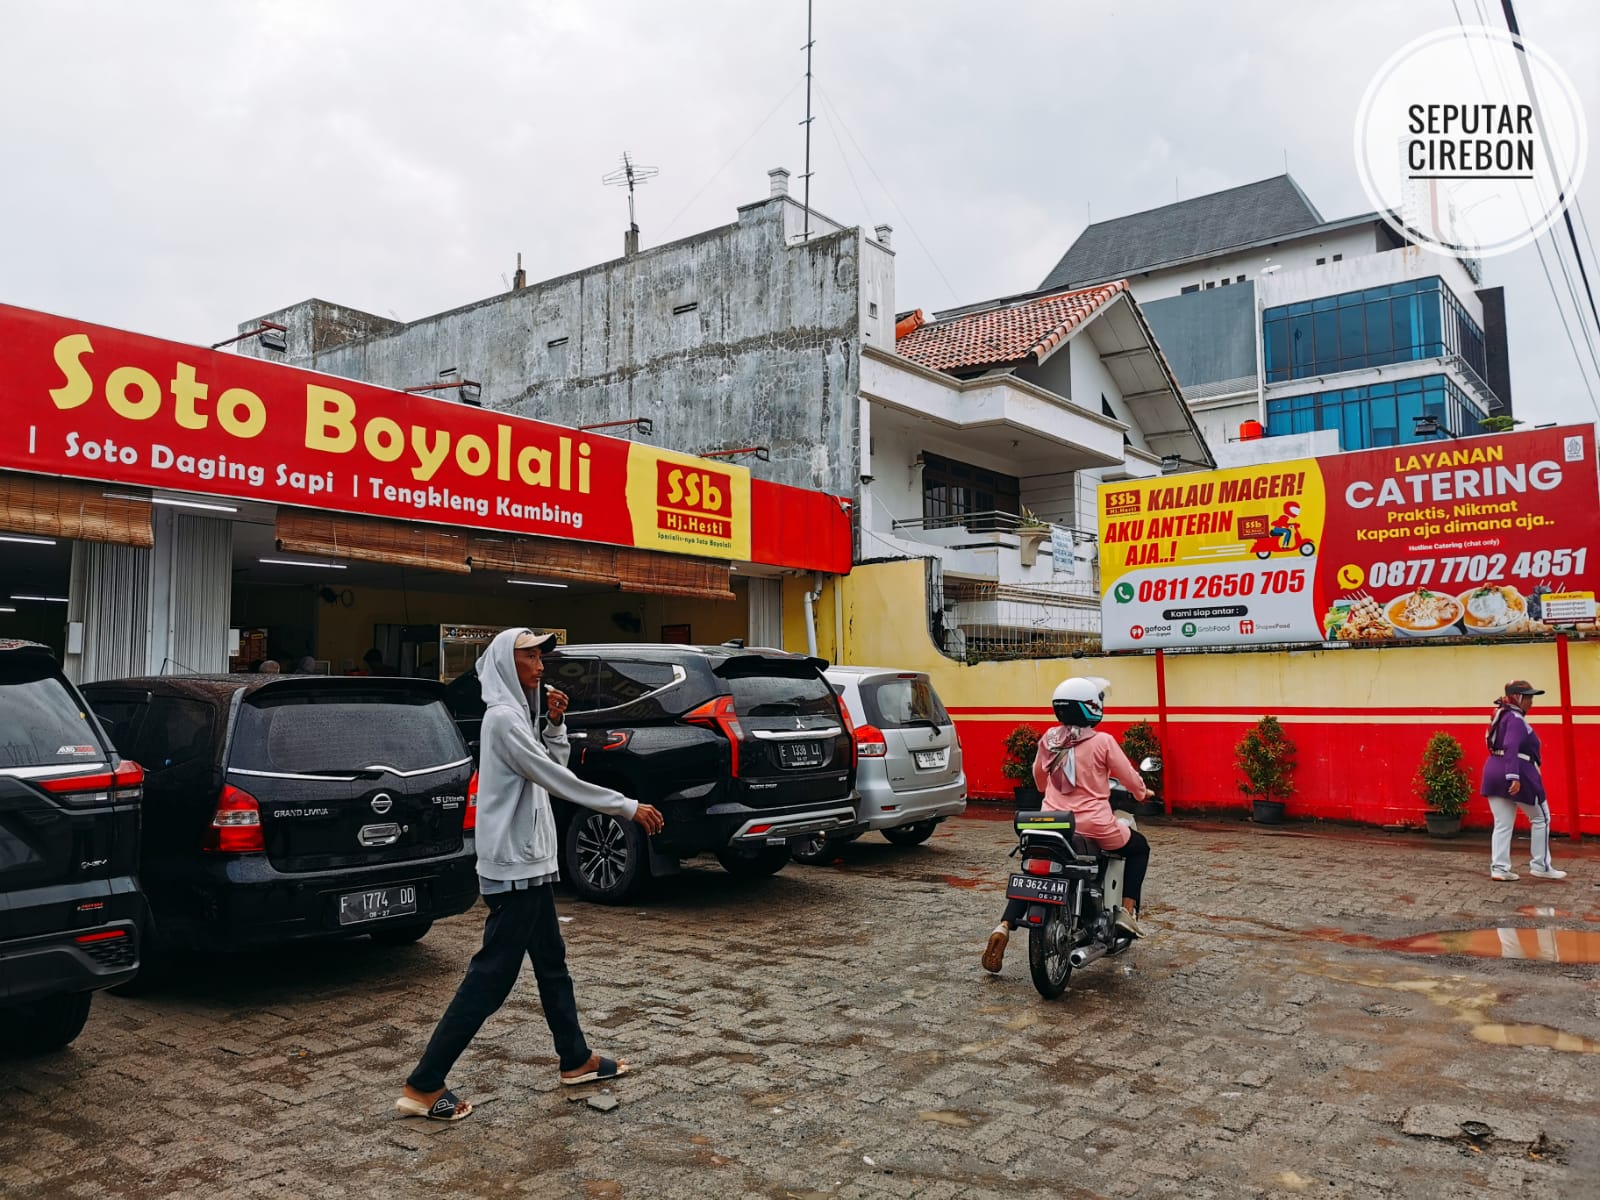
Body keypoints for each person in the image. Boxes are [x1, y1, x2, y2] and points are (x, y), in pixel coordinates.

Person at [395, 628, 666, 1122]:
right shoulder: (503, 719)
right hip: (515, 867)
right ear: (505, 664)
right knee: (492, 977)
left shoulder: (520, 716)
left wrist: (557, 724)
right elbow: (558, 780)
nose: (541, 666)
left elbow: (547, 767)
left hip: (534, 864)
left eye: (542, 656)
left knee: (551, 963)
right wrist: (626, 806)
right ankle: (424, 1084)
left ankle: (575, 1058)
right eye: (530, 657)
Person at [982, 676, 1153, 974]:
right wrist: (1142, 792)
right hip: (1093, 826)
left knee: (1037, 874)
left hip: (1050, 824)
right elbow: (1128, 777)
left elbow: (1038, 778)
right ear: (1090, 707)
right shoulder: (1103, 741)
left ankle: (1004, 926)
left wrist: (1052, 796)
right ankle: (1126, 911)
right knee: (1139, 848)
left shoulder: (1049, 738)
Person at [1481, 680, 1567, 882]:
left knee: (1502, 824)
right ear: (1517, 698)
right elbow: (1511, 746)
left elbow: (1492, 743)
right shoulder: (1516, 719)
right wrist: (1513, 776)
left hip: (1493, 768)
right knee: (1541, 818)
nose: (1531, 702)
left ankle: (1500, 868)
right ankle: (1540, 865)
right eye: (1527, 697)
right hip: (1518, 769)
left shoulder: (1499, 715)